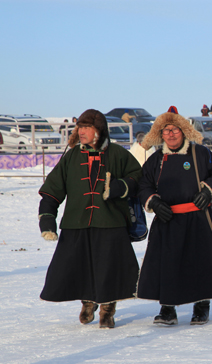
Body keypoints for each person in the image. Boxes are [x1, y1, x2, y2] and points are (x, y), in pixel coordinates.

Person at [38, 109, 142, 329]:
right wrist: (47, 220)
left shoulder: (118, 154)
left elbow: (137, 178)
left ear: (99, 130)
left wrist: (119, 187)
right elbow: (51, 190)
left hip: (110, 222)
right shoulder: (72, 156)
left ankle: (107, 309)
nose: (81, 131)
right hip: (76, 222)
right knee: (78, 267)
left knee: (109, 269)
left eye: (86, 127)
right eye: (79, 127)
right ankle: (88, 302)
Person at [137, 106, 212, 326]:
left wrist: (207, 191)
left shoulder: (200, 153)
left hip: (198, 219)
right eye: (166, 130)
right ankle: (167, 308)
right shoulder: (156, 159)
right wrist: (154, 202)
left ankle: (201, 307)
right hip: (167, 221)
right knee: (167, 265)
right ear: (160, 135)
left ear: (184, 131)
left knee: (200, 264)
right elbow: (143, 184)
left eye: (175, 129)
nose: (171, 134)